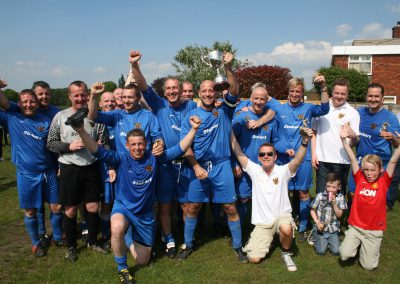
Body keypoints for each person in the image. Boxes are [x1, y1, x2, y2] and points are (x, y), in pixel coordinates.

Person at [71, 113, 201, 284]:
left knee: (142, 261)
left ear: (146, 144)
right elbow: (95, 148)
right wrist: (80, 130)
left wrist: (193, 129)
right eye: (133, 144)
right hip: (123, 207)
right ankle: (122, 269)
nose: (137, 147)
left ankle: (129, 235)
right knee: (116, 227)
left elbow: (179, 148)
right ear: (127, 145)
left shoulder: (154, 158)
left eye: (140, 144)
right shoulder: (120, 158)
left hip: (145, 214)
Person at [176, 52, 248, 263]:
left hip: (221, 166)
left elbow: (234, 89)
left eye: (211, 90)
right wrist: (196, 166)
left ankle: (238, 246)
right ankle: (188, 244)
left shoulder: (224, 110)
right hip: (198, 168)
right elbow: (185, 147)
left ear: (216, 92)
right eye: (204, 91)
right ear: (199, 93)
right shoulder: (191, 117)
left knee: (230, 207)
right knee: (193, 207)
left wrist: (228, 67)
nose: (208, 94)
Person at [129, 50, 197, 258]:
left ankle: (187, 240)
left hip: (186, 163)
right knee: (165, 206)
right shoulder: (158, 105)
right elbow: (141, 85)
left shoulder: (191, 106)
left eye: (175, 88)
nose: (172, 91)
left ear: (181, 89)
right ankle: (169, 240)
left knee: (186, 205)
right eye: (168, 88)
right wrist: (135, 66)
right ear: (164, 91)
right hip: (165, 164)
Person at [231, 125, 313, 272]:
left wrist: (305, 142)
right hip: (263, 222)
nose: (266, 156)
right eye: (262, 154)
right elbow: (238, 152)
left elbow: (297, 160)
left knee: (286, 228)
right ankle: (267, 239)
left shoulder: (282, 171)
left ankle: (286, 252)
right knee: (254, 259)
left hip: (282, 216)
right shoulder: (254, 170)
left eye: (269, 153)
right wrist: (229, 131)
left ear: (275, 156)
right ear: (259, 157)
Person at [47, 81, 110, 261]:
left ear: (87, 94)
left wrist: (99, 147)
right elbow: (50, 143)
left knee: (92, 206)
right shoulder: (60, 116)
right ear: (70, 96)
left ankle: (91, 241)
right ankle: (72, 247)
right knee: (71, 210)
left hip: (90, 167)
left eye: (83, 94)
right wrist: (69, 146)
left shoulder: (94, 117)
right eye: (76, 95)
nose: (80, 98)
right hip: (69, 167)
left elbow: (104, 143)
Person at [0, 81, 62, 257]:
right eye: (25, 102)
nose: (29, 105)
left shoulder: (46, 120)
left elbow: (54, 146)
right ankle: (36, 243)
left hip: (49, 171)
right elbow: (3, 104)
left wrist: (59, 165)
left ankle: (57, 237)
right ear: (19, 104)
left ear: (36, 103)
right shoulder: (12, 117)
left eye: (32, 101)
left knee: (56, 207)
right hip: (27, 174)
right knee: (30, 210)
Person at [275, 76, 329, 242]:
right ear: (288, 91)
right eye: (292, 91)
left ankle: (303, 225)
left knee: (303, 192)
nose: (294, 94)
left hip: (303, 158)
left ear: (302, 93)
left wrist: (324, 88)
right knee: (284, 192)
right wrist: (284, 149)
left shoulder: (308, 108)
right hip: (284, 159)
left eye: (298, 91)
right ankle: (286, 221)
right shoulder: (279, 110)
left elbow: (325, 108)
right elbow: (274, 137)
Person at [339, 123, 400, 270]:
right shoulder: (360, 178)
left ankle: (369, 248)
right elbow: (353, 159)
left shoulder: (384, 181)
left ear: (380, 170)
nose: (369, 173)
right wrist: (343, 140)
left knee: (369, 266)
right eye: (366, 170)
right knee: (344, 255)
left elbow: (392, 160)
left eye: (372, 170)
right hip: (356, 227)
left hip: (374, 230)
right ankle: (355, 242)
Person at [232, 83, 279, 225]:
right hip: (244, 165)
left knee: (264, 199)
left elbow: (275, 142)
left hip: (265, 168)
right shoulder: (241, 116)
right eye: (256, 98)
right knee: (243, 199)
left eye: (262, 99)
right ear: (251, 99)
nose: (259, 102)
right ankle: (241, 233)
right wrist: (234, 163)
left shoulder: (271, 118)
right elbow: (232, 142)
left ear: (267, 100)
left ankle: (263, 230)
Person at [347, 83, 400, 211]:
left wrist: (392, 137)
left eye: (376, 96)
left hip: (379, 167)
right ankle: (354, 221)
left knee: (375, 199)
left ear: (382, 99)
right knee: (353, 193)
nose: (373, 99)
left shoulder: (390, 118)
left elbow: (398, 144)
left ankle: (370, 226)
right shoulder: (359, 113)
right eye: (370, 96)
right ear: (366, 97)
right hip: (360, 162)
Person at [311, 78, 360, 196]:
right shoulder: (322, 108)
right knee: (321, 195)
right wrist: (313, 154)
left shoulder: (352, 112)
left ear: (347, 94)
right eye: (336, 93)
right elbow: (313, 133)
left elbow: (356, 141)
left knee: (339, 196)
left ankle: (337, 215)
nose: (339, 96)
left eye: (343, 94)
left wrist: (353, 135)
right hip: (322, 159)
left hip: (342, 160)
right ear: (332, 92)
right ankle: (321, 215)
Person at [309, 173, 347, 255]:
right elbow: (312, 209)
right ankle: (315, 233)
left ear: (339, 187)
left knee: (337, 251)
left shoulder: (341, 197)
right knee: (321, 251)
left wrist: (334, 204)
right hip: (321, 228)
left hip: (333, 228)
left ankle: (328, 241)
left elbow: (339, 215)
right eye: (328, 186)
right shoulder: (320, 196)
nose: (330, 189)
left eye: (334, 187)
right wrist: (317, 221)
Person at [98, 91, 117, 247]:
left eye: (113, 100)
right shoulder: (96, 122)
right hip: (103, 169)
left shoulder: (118, 120)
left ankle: (119, 232)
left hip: (121, 168)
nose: (110, 103)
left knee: (120, 202)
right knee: (106, 202)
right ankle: (105, 234)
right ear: (100, 104)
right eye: (107, 101)